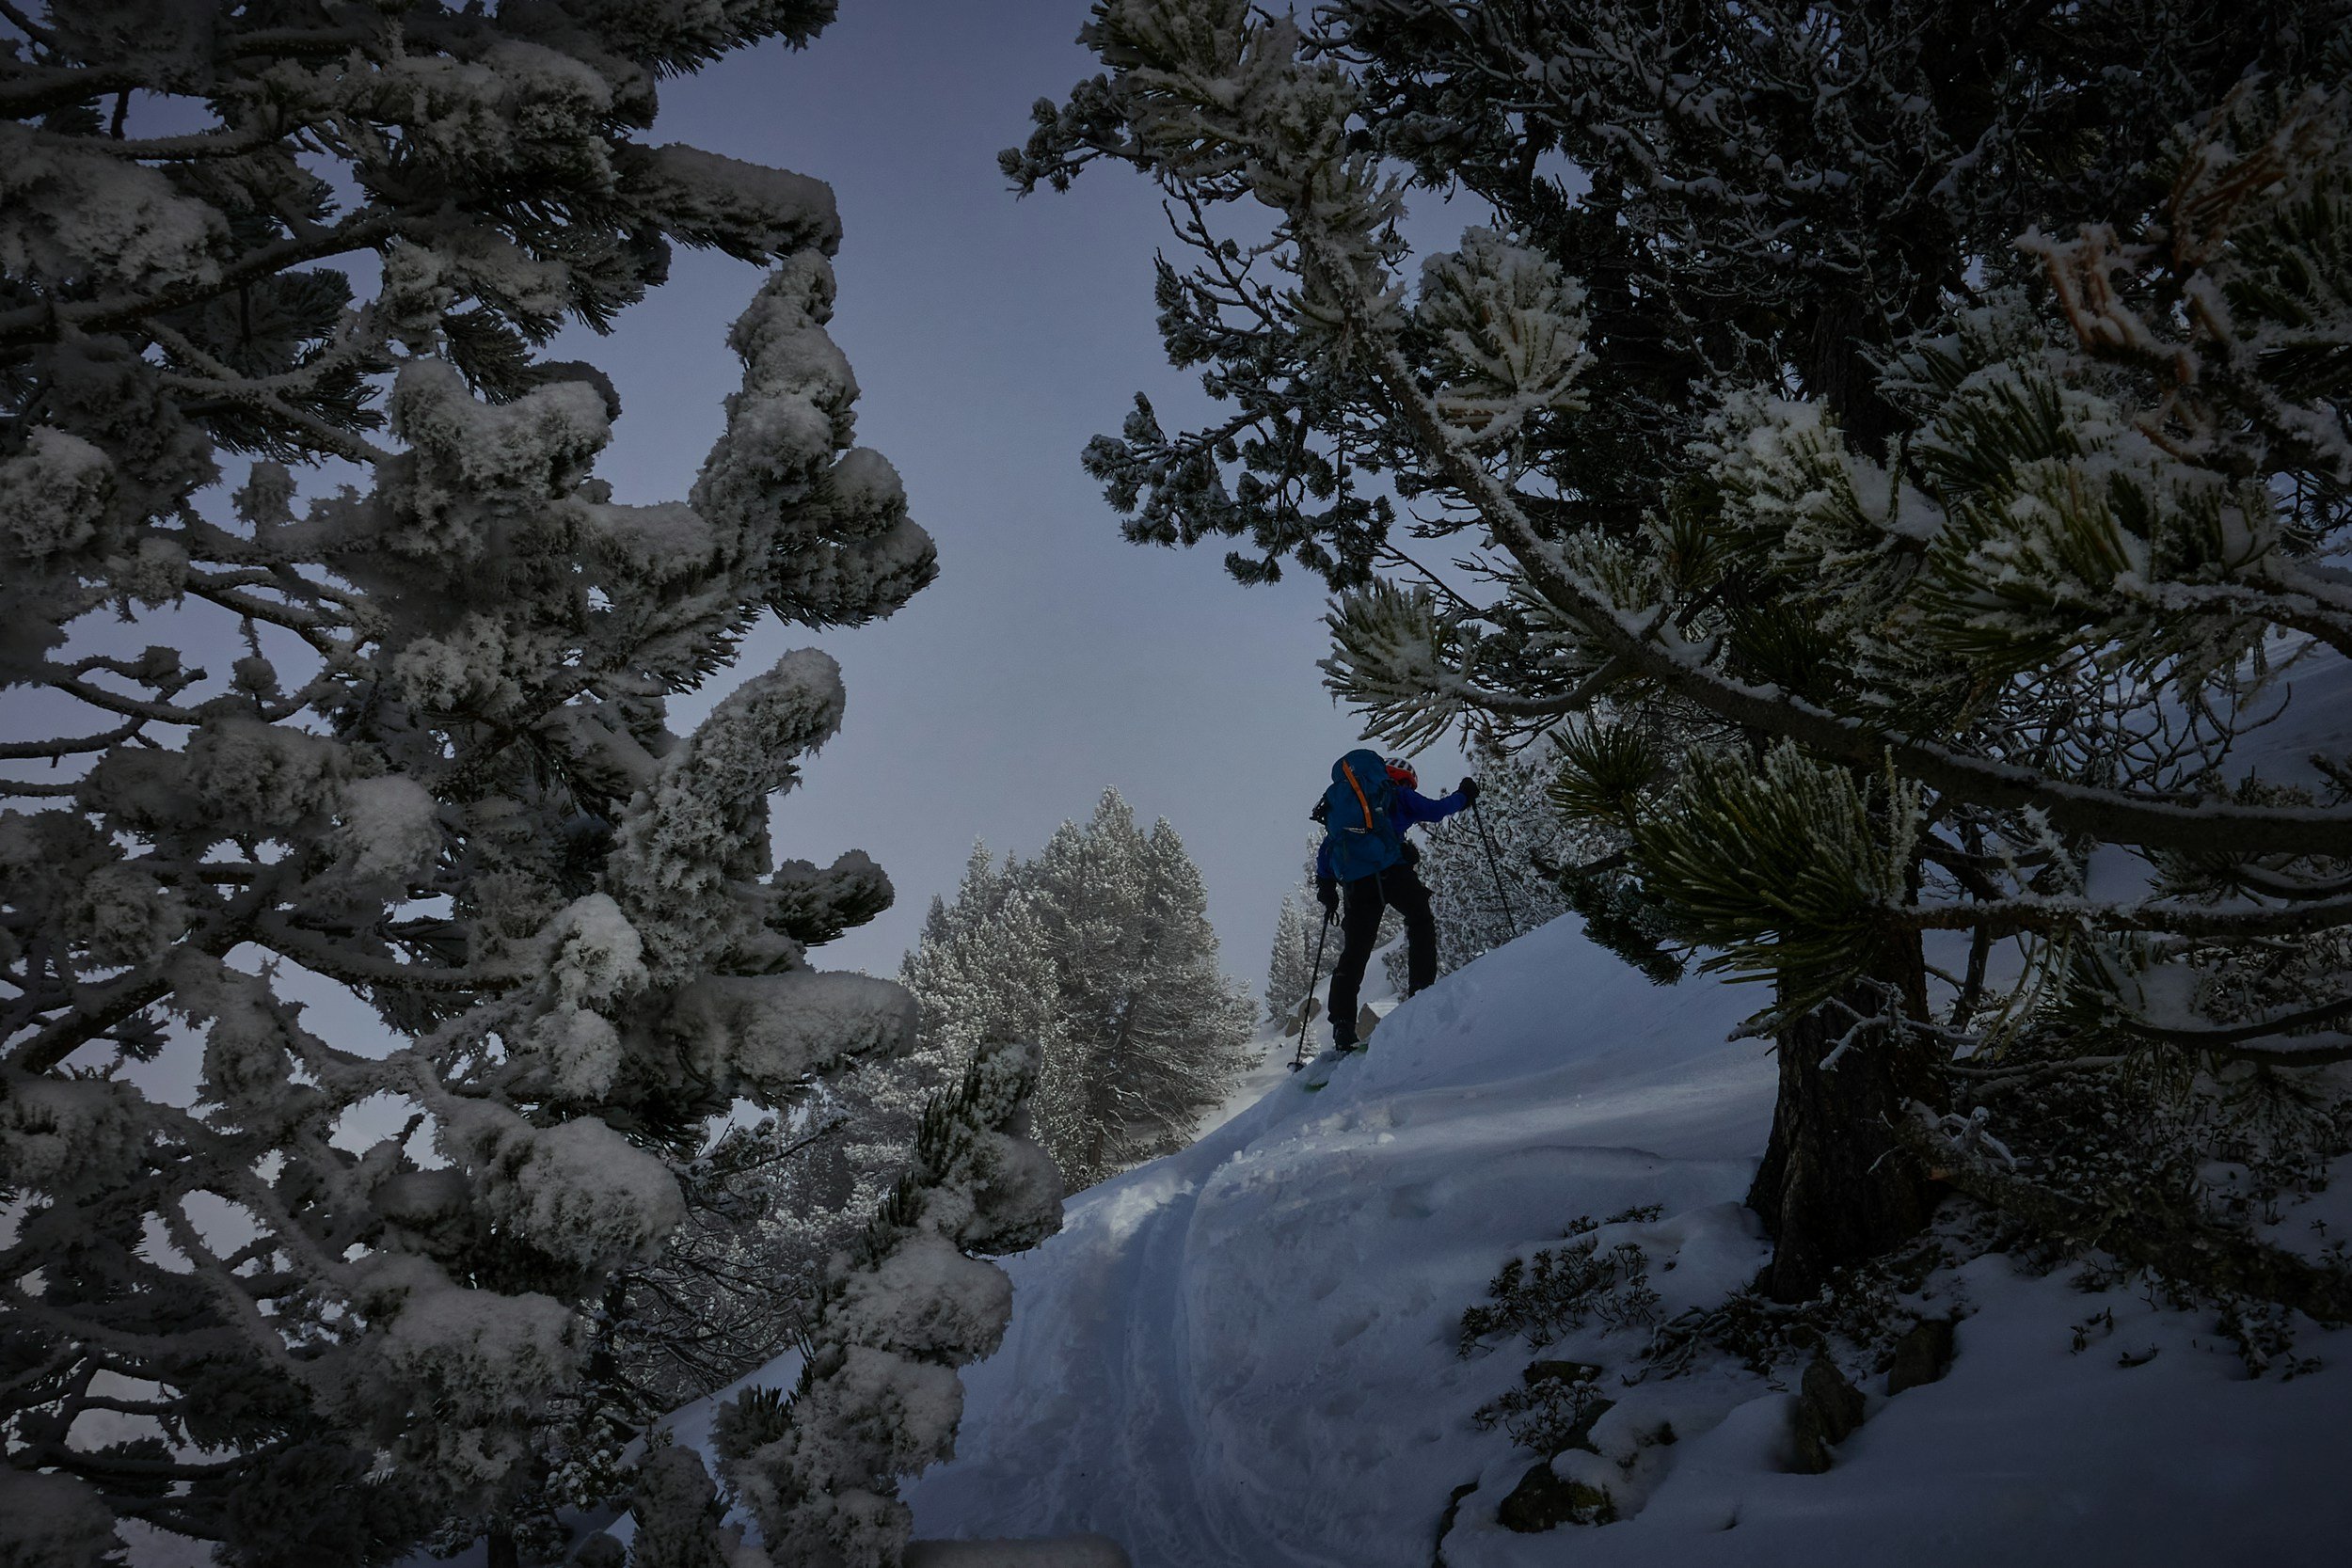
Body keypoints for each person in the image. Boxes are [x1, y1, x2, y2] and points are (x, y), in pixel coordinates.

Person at [1314, 753, 1480, 1051]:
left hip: (1356, 884)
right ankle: (1421, 991)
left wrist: (1327, 890)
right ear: (1404, 779)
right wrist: (1464, 795)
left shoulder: (1347, 805)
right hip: (1391, 873)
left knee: (1355, 952)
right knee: (1419, 920)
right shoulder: (1398, 795)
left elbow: (1327, 850)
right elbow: (1437, 809)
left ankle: (1342, 1024)